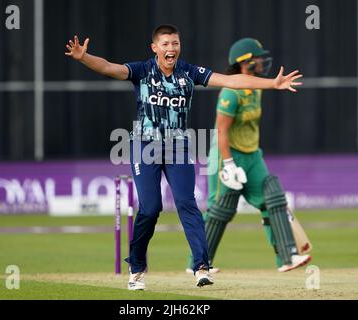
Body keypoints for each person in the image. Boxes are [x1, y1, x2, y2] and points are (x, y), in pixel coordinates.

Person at [65, 25, 303, 290]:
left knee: (187, 203)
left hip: (178, 147)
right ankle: (136, 267)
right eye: (165, 44)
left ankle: (201, 266)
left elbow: (231, 81)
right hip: (145, 146)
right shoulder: (142, 71)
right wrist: (84, 58)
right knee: (150, 208)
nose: (171, 49)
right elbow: (110, 68)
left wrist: (273, 83)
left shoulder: (189, 73)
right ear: (154, 47)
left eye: (175, 43)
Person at [186, 38, 311, 274]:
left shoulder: (258, 87)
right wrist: (229, 164)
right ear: (245, 62)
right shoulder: (231, 93)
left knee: (272, 197)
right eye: (258, 57)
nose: (263, 61)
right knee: (220, 211)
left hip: (253, 155)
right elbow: (221, 130)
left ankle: (287, 256)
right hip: (226, 155)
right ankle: (198, 262)